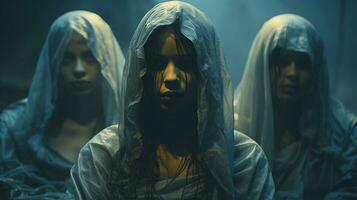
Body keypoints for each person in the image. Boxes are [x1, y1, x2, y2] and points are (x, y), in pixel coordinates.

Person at [69, 2, 274, 200]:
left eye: (185, 63)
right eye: (158, 64)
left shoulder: (245, 162)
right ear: (139, 71)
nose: (170, 78)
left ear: (206, 71)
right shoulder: (103, 158)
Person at [0, 10, 124, 198]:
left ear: (106, 62)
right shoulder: (14, 127)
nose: (79, 69)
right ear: (52, 63)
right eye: (67, 58)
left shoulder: (128, 129)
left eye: (90, 56)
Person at [234, 14, 357, 199]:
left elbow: (349, 189)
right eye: (282, 61)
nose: (292, 73)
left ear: (316, 68)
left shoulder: (344, 133)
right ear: (263, 64)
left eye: (303, 63)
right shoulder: (233, 128)